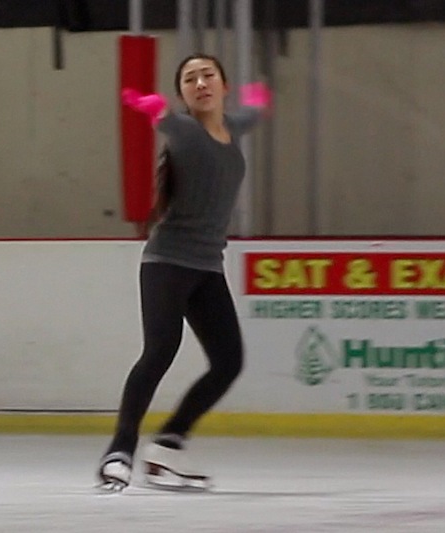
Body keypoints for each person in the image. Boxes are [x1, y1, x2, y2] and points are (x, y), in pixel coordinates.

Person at [97, 54, 270, 492]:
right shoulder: (185, 130)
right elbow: (167, 123)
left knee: (229, 362)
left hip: (207, 267)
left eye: (207, 75)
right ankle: (119, 451)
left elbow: (249, 116)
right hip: (167, 262)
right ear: (183, 94)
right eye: (190, 79)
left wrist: (259, 101)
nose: (200, 83)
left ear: (223, 86)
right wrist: (153, 108)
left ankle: (168, 446)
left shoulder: (233, 128)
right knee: (159, 352)